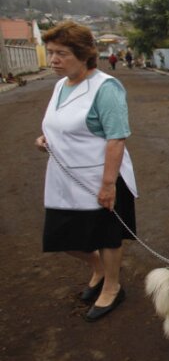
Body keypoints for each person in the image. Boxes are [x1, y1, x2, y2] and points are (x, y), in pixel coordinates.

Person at [35, 21, 138, 322]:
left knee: (107, 237)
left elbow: (116, 137)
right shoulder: (60, 85)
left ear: (84, 54)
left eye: (61, 53)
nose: (53, 60)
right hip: (63, 178)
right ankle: (98, 269)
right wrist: (45, 140)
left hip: (99, 177)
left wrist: (108, 185)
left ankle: (113, 287)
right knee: (62, 237)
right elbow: (59, 125)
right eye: (51, 52)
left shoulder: (105, 88)